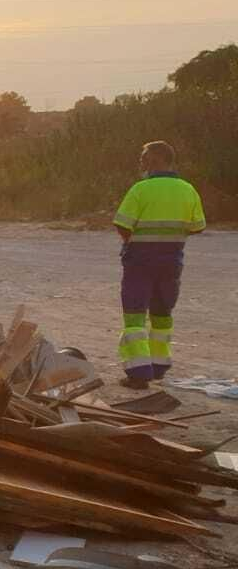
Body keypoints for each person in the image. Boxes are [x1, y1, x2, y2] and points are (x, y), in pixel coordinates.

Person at [112, 141, 205, 388]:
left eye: (144, 158)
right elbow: (198, 226)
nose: (141, 163)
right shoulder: (188, 189)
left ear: (153, 161)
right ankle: (159, 365)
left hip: (140, 261)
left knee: (134, 316)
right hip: (172, 261)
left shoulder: (140, 189)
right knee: (163, 314)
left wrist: (135, 240)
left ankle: (139, 373)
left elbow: (122, 223)